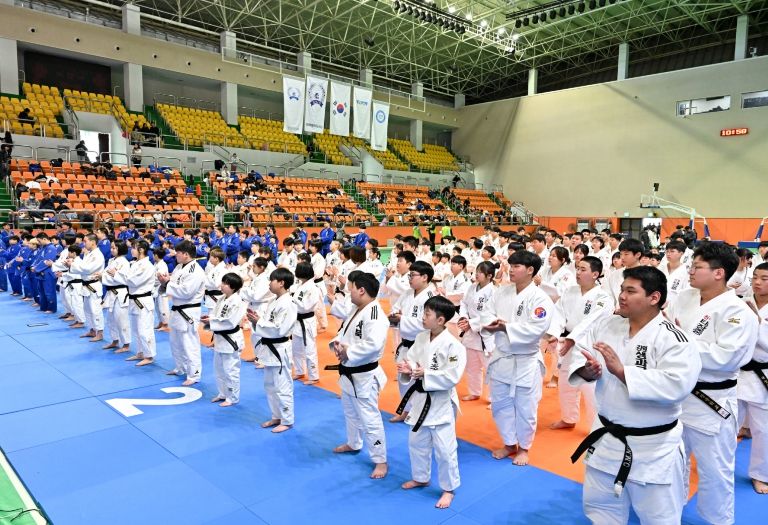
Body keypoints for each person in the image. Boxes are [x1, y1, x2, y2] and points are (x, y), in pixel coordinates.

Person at [568, 266, 702, 524]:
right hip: (606, 439)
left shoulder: (675, 339)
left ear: (654, 297)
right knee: (601, 511)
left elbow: (677, 385)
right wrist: (587, 370)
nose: (622, 296)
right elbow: (581, 355)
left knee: (659, 518)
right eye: (621, 289)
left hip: (653, 448)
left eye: (631, 291)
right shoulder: (607, 324)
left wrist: (622, 372)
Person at [666, 242, 759, 524]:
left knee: (715, 469)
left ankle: (718, 520)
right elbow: (665, 333)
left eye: (697, 267)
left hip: (712, 401)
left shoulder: (737, 311)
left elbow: (726, 358)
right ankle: (669, 511)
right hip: (677, 394)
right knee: (671, 461)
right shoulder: (685, 297)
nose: (691, 271)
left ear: (719, 273)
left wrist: (682, 341)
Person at [482, 250, 554, 465]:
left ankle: (524, 447)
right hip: (502, 356)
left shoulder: (540, 298)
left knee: (526, 408)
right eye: (510, 266)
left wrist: (506, 327)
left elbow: (537, 329)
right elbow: (487, 313)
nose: (511, 270)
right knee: (500, 405)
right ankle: (509, 443)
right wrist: (491, 324)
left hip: (526, 361)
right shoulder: (502, 291)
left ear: (530, 270)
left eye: (516, 266)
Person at [396, 295, 467, 509]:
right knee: (416, 443)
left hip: (440, 403)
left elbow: (453, 376)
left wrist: (425, 373)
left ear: (441, 320)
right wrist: (408, 368)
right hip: (420, 401)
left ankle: (449, 489)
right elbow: (412, 359)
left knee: (445, 450)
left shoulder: (454, 346)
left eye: (427, 314)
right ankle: (421, 477)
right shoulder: (421, 337)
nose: (423, 317)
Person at [327, 271, 389, 480]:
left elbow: (374, 344)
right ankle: (354, 443)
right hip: (348, 372)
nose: (349, 292)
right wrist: (337, 345)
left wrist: (349, 352)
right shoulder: (356, 309)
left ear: (361, 290)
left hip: (364, 376)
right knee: (350, 413)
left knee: (370, 419)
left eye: (351, 288)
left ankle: (380, 460)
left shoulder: (375, 315)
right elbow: (343, 333)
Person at [546, 256, 613, 430]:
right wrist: (555, 333)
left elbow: (591, 321)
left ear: (595, 274)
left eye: (583, 269)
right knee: (565, 383)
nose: (578, 272)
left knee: (590, 389)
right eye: (577, 268)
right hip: (569, 343)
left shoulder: (603, 298)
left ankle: (595, 428)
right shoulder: (570, 291)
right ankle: (568, 418)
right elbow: (559, 313)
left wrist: (572, 338)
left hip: (590, 346)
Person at [247, 268, 297, 433]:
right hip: (269, 348)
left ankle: (287, 420)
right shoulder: (274, 301)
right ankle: (276, 415)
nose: (269, 283)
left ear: (281, 283)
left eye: (272, 280)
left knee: (282, 386)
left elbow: (281, 329)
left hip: (280, 349)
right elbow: (268, 324)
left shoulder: (289, 303)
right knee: (270, 385)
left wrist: (259, 322)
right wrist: (256, 321)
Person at [389, 261, 436, 423]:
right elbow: (395, 308)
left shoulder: (431, 297)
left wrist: (403, 319)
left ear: (424, 277)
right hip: (406, 343)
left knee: (419, 380)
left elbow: (426, 324)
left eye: (412, 275)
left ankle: (420, 413)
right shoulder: (407, 293)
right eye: (409, 275)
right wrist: (396, 315)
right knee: (403, 379)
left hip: (422, 345)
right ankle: (406, 411)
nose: (409, 278)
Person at [739, 262, 768, 494]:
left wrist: (758, 324)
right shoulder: (741, 303)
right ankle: (720, 469)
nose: (757, 282)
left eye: (764, 279)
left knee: (763, 431)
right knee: (726, 428)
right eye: (755, 277)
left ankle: (760, 475)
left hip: (763, 375)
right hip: (737, 374)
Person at [160, 240, 206, 386]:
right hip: (177, 309)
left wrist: (168, 283)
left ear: (186, 254)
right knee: (176, 342)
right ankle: (180, 367)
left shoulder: (196, 271)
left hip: (188, 311)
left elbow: (186, 292)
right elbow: (173, 285)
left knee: (189, 343)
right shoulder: (179, 267)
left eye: (178, 253)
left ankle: (194, 374)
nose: (175, 255)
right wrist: (165, 281)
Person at [202, 272, 247, 407]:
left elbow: (230, 322)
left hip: (231, 339)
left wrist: (211, 322)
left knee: (230, 370)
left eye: (225, 283)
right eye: (222, 282)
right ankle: (223, 393)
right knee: (219, 370)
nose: (221, 285)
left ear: (233, 287)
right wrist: (209, 319)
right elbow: (216, 316)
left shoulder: (238, 302)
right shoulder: (221, 298)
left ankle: (232, 397)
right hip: (220, 339)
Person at [457, 261, 496, 402]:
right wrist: (464, 317)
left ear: (489, 275)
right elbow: (463, 303)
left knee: (490, 367)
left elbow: (491, 315)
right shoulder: (472, 287)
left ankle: (494, 398)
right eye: (476, 271)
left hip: (485, 333)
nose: (477, 274)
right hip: (470, 333)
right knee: (472, 366)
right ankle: (474, 392)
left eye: (480, 272)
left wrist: (471, 323)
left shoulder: (493, 292)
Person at [119, 240, 157, 367]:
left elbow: (133, 281)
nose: (131, 250)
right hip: (134, 300)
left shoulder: (147, 266)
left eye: (134, 248)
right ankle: (140, 352)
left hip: (143, 301)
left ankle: (149, 356)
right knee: (136, 329)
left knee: (144, 330)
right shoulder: (135, 263)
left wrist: (117, 275)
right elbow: (128, 278)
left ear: (141, 250)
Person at [291, 262, 322, 385]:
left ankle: (314, 376)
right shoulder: (301, 285)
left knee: (309, 349)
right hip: (297, 321)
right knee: (296, 348)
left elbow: (306, 307)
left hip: (306, 322)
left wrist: (292, 301)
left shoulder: (312, 288)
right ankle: (299, 371)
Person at [72, 234, 105, 342]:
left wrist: (72, 266)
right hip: (86, 285)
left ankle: (100, 332)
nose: (83, 243)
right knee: (87, 309)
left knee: (95, 310)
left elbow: (87, 269)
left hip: (93, 285)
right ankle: (92, 330)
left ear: (93, 242)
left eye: (85, 241)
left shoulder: (98, 255)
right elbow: (82, 267)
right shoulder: (89, 254)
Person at [100, 240, 131, 353]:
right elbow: (106, 274)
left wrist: (103, 277)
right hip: (111, 293)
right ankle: (115, 340)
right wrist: (100, 276)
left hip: (120, 293)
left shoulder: (124, 262)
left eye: (114, 248)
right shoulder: (112, 260)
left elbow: (122, 279)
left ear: (120, 249)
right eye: (111, 248)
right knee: (110, 319)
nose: (112, 250)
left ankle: (126, 344)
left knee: (121, 319)